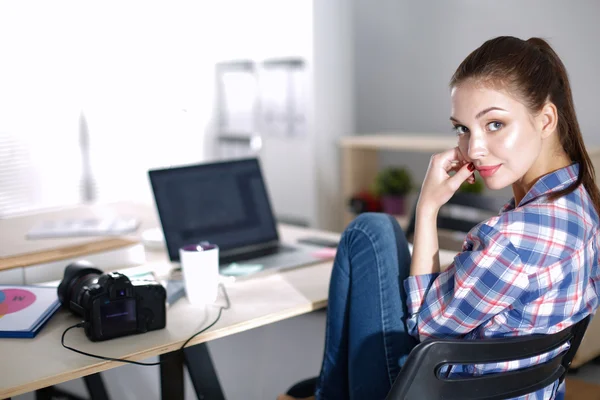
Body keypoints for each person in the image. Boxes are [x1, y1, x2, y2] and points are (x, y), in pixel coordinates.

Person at [278, 36, 600, 400]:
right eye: (462, 129)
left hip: (444, 391)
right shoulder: (582, 204)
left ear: (545, 120)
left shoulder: (514, 238)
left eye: (494, 124)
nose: (474, 149)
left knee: (371, 231)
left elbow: (425, 328)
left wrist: (428, 208)